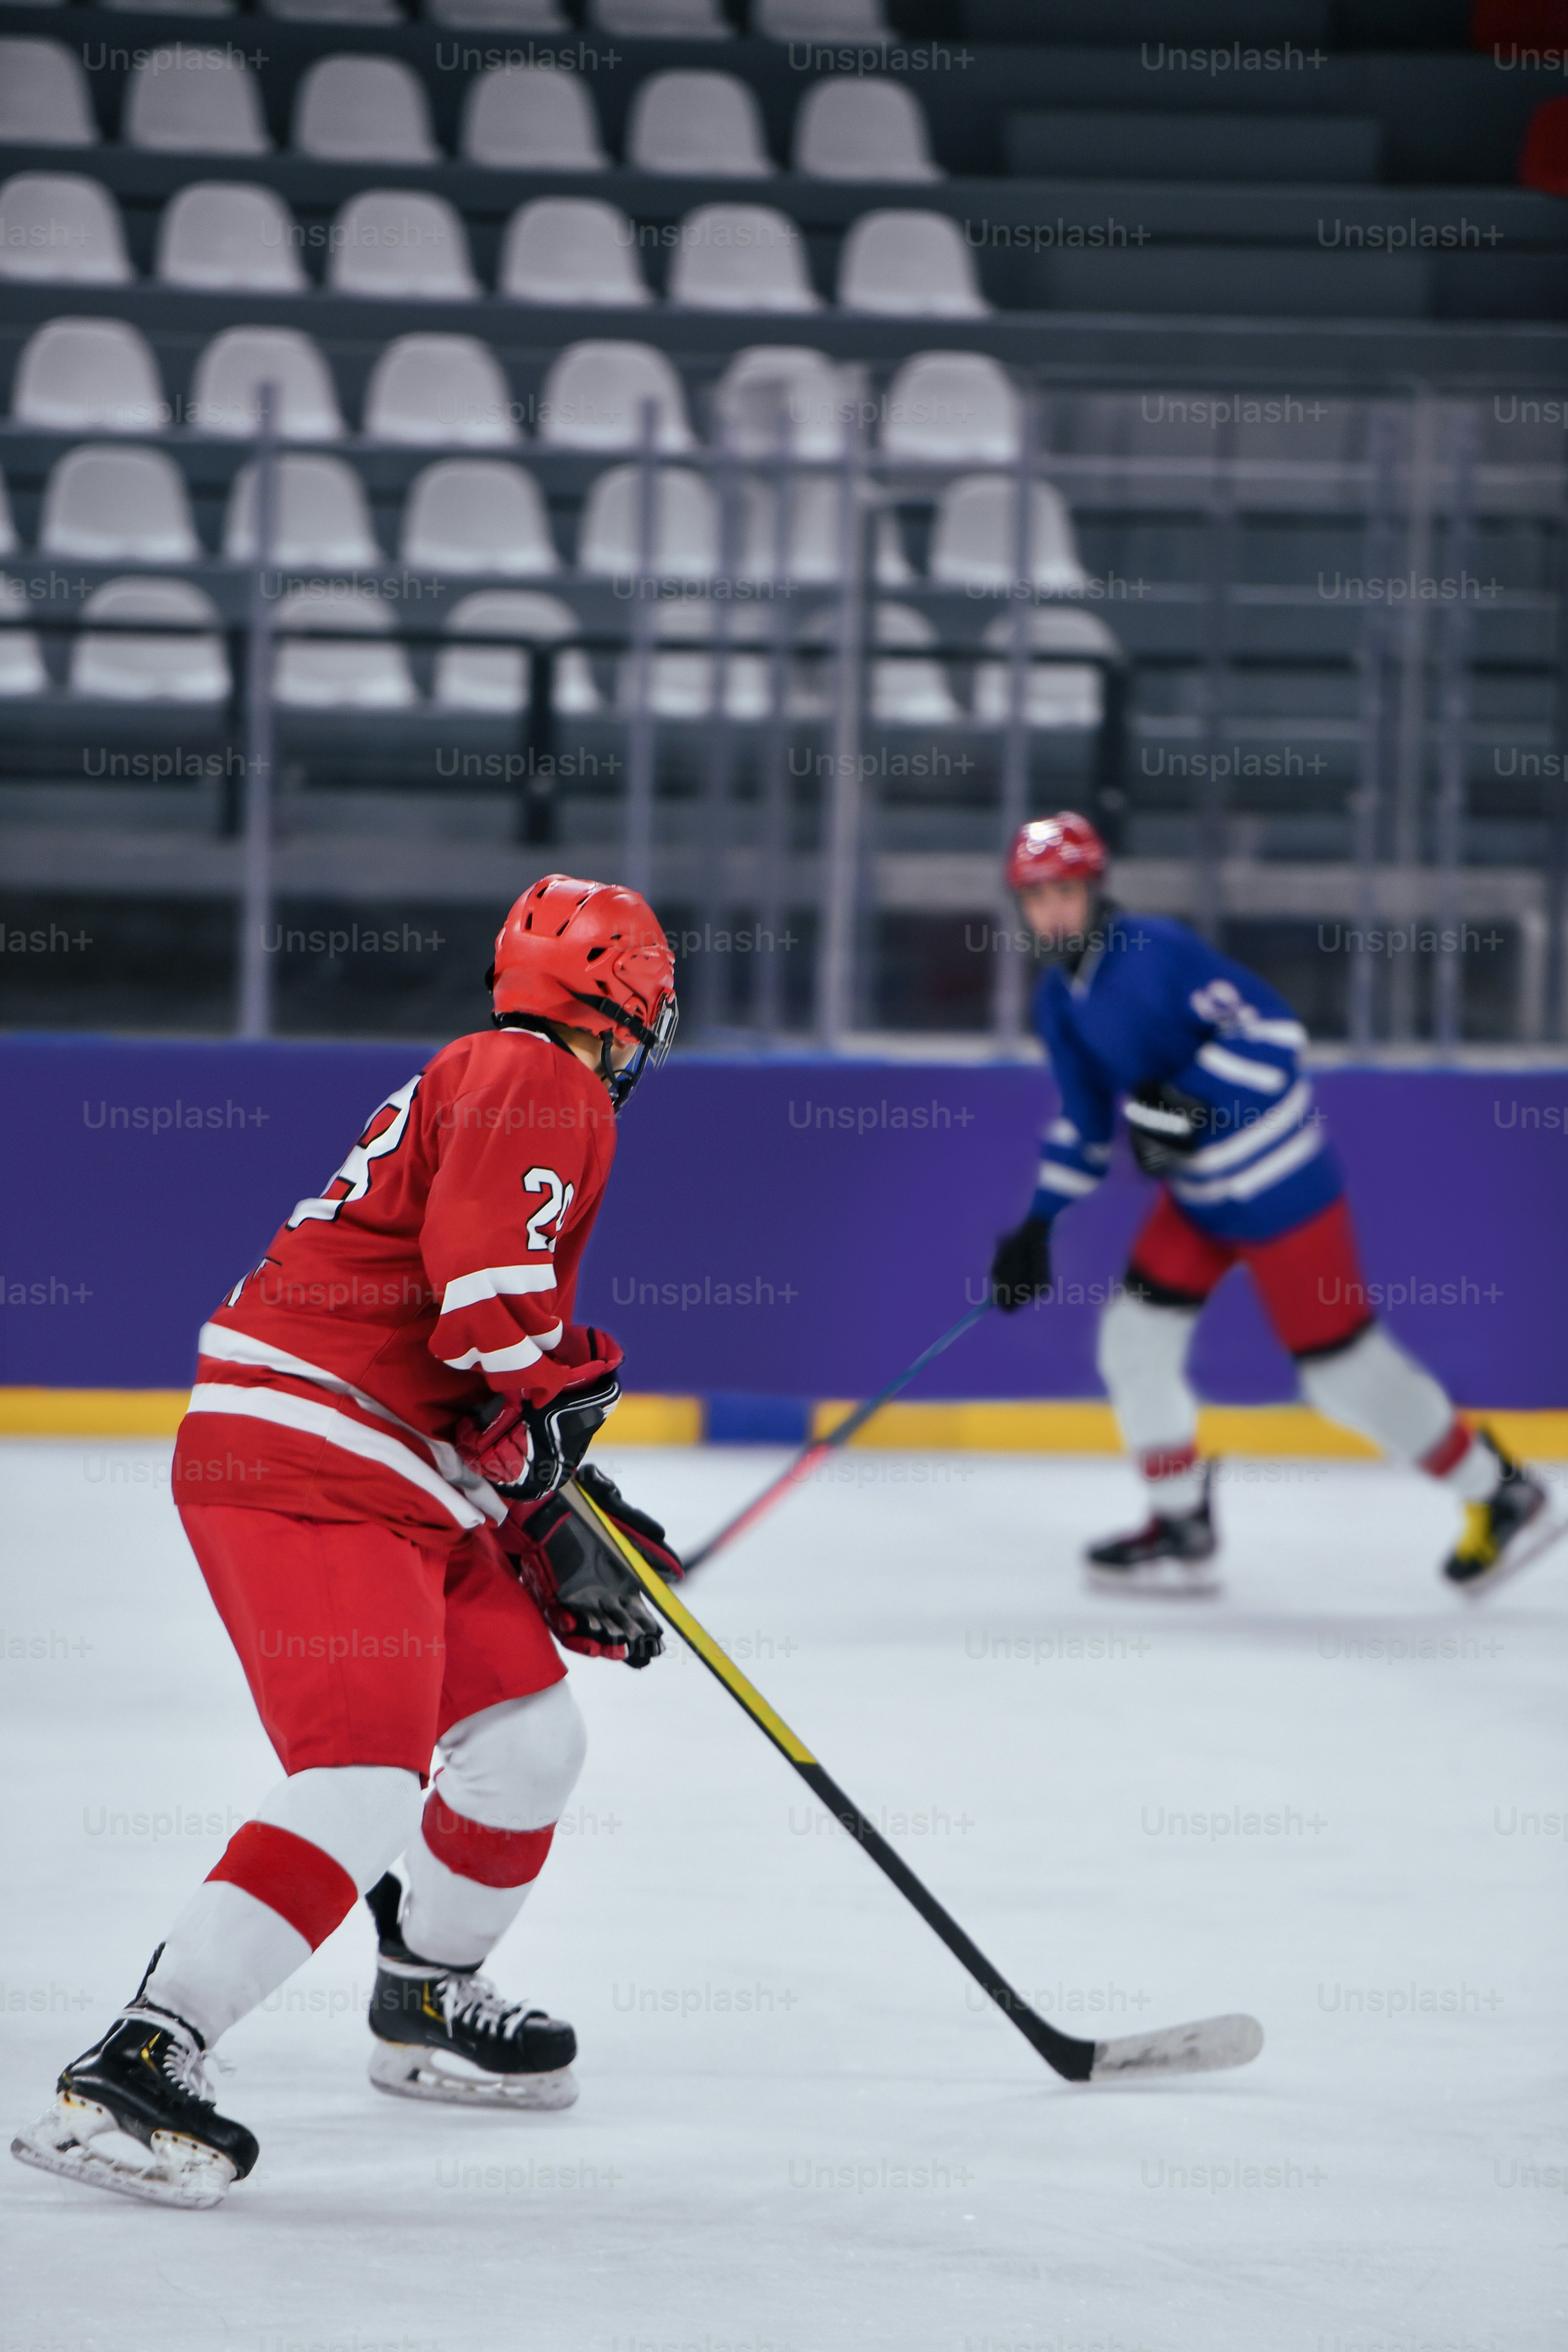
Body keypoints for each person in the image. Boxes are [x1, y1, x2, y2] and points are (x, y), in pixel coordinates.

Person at [12, 875, 682, 2209]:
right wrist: (558, 1414)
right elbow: (488, 1301)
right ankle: (142, 2057)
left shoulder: (495, 1074)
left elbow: (455, 1340)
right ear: (630, 1005)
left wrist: (539, 1503)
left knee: (525, 1743)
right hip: (311, 1460)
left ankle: (426, 1992)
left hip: (392, 1466)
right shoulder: (537, 1077)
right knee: (364, 1775)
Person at [986, 814, 1557, 1598]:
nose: (1051, 911)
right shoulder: (1059, 1002)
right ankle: (1180, 1521)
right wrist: (1040, 1223)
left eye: (1065, 892)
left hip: (1281, 1193)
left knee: (1344, 1378)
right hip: (1198, 1204)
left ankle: (1502, 1494)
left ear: (1095, 888)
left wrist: (1183, 1104)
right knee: (1133, 1341)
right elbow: (1087, 1127)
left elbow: (1275, 1035)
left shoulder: (1157, 953)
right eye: (1036, 896)